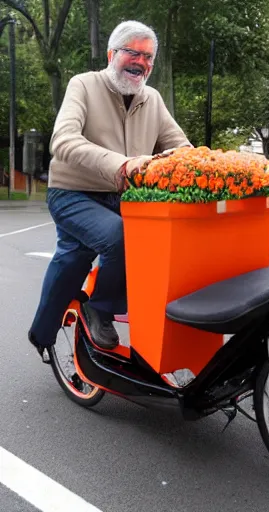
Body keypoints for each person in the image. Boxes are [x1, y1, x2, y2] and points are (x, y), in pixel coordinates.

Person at [28, 20, 192, 363]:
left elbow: (181, 148)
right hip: (73, 193)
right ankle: (97, 311)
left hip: (123, 198)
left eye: (148, 57)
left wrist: (208, 168)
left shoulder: (153, 99)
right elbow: (63, 141)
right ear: (111, 54)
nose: (140, 62)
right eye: (132, 52)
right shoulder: (84, 85)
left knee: (77, 257)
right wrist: (122, 165)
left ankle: (144, 319)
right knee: (116, 239)